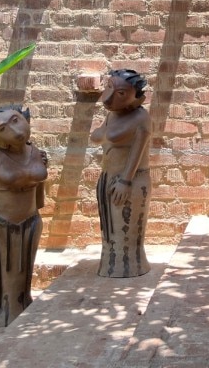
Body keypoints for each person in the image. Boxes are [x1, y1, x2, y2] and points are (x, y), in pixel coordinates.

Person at [0, 106, 48, 327]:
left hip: (30, 221)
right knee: (6, 273)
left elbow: (37, 177)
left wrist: (35, 171)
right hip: (3, 226)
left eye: (16, 121)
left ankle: (23, 304)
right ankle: (3, 313)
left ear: (26, 119)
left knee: (24, 271)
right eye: (3, 129)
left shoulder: (34, 151)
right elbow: (12, 177)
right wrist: (35, 171)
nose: (15, 131)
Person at [90, 69, 151, 278]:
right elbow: (96, 136)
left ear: (136, 96)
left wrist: (125, 180)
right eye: (109, 88)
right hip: (107, 178)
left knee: (125, 229)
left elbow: (138, 151)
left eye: (121, 93)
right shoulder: (113, 115)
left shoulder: (141, 118)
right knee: (109, 228)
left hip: (130, 181)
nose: (109, 98)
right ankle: (110, 265)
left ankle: (130, 266)